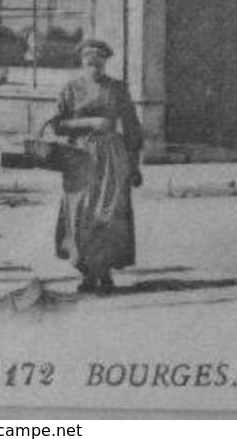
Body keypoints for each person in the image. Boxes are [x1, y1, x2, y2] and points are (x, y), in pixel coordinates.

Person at [52, 39, 143, 294]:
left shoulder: (117, 88)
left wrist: (134, 166)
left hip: (112, 158)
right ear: (82, 63)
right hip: (79, 157)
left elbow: (133, 128)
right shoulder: (71, 89)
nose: (94, 68)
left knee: (109, 213)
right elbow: (58, 125)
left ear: (105, 63)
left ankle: (104, 272)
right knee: (79, 213)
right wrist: (90, 122)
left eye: (99, 63)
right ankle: (87, 272)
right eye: (89, 63)